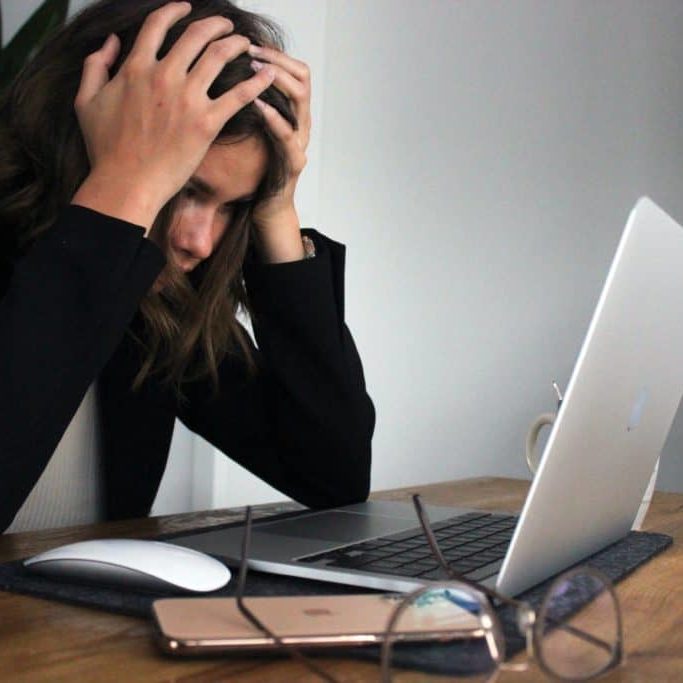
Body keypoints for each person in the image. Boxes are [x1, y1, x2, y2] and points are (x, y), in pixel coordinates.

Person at [0, 0, 374, 533]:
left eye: (233, 207)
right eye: (184, 187)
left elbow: (332, 475)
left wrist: (276, 207)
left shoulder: (157, 303)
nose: (199, 242)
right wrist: (126, 183)